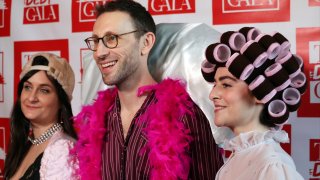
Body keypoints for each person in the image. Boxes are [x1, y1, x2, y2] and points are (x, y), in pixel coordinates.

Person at [73, 0, 223, 179]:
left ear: (146, 42)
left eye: (112, 38)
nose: (99, 52)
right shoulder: (96, 120)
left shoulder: (184, 115)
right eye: (96, 41)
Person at [201, 27, 306, 179]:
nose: (212, 95)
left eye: (226, 85)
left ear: (260, 91)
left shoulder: (271, 166)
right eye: (215, 85)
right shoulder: (241, 157)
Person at [4, 53, 78, 179]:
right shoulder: (25, 145)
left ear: (61, 101)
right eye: (27, 87)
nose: (32, 97)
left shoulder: (62, 150)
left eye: (44, 90)